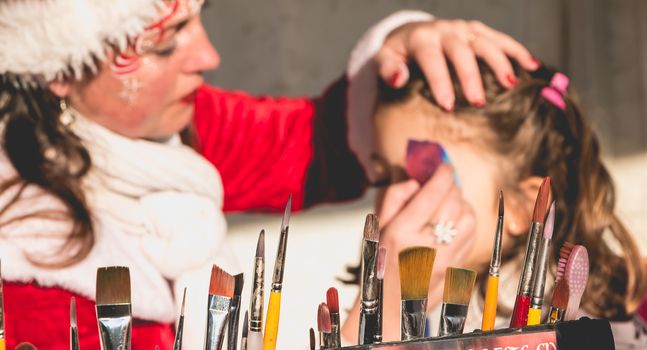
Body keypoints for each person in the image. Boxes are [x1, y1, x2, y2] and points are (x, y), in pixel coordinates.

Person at [0, 0, 537, 348]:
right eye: (166, 42)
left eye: (199, 17)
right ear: (60, 71)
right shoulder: (30, 281)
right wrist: (386, 311)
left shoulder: (177, 127)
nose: (208, 54)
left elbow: (322, 143)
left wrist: (408, 46)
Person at [340, 61, 646, 348]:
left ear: (521, 206)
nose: (393, 201)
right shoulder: (427, 311)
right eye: (382, 179)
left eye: (425, 175)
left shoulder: (588, 328)